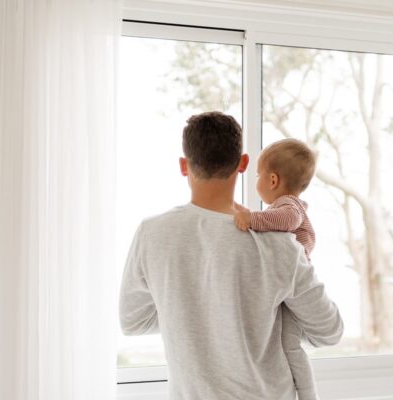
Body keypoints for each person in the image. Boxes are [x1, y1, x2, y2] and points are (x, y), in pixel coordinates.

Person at [119, 111, 343, 400]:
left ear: (183, 166)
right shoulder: (280, 244)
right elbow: (329, 330)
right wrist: (250, 319)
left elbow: (133, 321)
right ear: (243, 164)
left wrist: (192, 314)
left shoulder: (152, 234)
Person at [234, 138, 320, 400]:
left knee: (291, 347)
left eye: (258, 175)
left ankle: (308, 395)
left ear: (272, 180)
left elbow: (286, 220)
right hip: (286, 288)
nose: (256, 180)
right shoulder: (282, 206)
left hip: (294, 289)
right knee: (284, 345)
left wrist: (251, 218)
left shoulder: (289, 207)